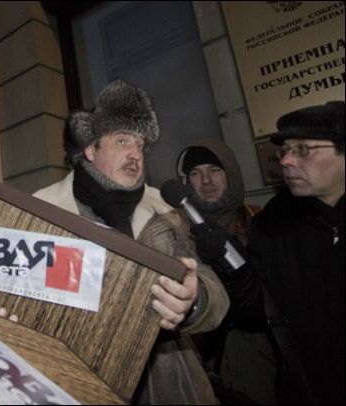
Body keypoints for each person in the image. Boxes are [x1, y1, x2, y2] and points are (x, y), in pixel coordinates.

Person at [34, 80, 229, 404]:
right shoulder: (45, 209)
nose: (135, 154)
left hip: (166, 383)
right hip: (80, 378)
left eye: (140, 144)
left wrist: (193, 301)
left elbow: (211, 288)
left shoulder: (163, 209)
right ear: (91, 149)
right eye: (122, 140)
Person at [234, 101, 344, 404]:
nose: (285, 160)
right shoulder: (273, 227)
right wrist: (234, 272)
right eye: (284, 151)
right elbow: (256, 315)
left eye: (303, 149)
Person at [176, 139, 277, 404]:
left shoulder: (259, 222)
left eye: (214, 170)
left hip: (261, 358)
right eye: (195, 173)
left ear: (230, 173)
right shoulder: (178, 232)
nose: (206, 180)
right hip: (205, 361)